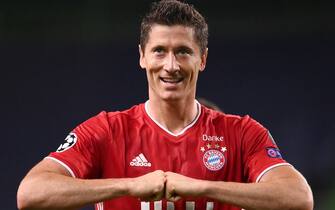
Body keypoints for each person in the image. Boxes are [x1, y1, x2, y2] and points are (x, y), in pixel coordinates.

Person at [17, 0, 313, 210]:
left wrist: (202, 187)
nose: (170, 65)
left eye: (183, 51)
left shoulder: (242, 132)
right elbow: (32, 193)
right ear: (142, 56)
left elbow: (298, 198)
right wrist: (127, 186)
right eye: (159, 51)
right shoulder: (106, 130)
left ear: (203, 59)